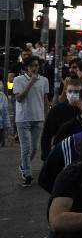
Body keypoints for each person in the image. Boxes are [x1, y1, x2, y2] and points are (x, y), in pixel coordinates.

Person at [14, 56, 50, 187]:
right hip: (23, 119)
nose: (35, 68)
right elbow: (19, 98)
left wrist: (47, 116)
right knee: (26, 147)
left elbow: (45, 99)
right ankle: (27, 175)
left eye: (37, 65)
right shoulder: (18, 80)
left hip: (38, 118)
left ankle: (24, 166)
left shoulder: (44, 80)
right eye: (32, 65)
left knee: (34, 148)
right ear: (26, 67)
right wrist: (30, 83)